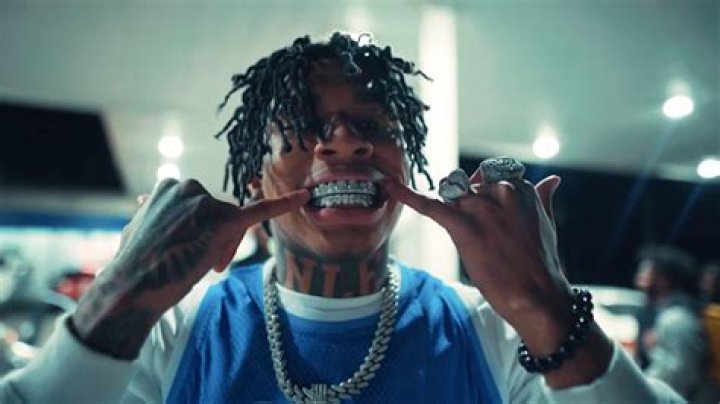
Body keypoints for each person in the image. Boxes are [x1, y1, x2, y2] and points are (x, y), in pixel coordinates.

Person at [0, 33, 683, 403]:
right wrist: (114, 301)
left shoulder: (496, 332)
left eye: (374, 128)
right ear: (253, 180)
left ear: (405, 169)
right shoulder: (171, 332)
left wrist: (548, 306)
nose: (346, 143)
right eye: (304, 127)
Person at [634, 245, 705, 399]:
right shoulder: (655, 312)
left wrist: (638, 389)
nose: (639, 276)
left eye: (646, 271)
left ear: (664, 279)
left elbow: (681, 373)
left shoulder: (677, 318)